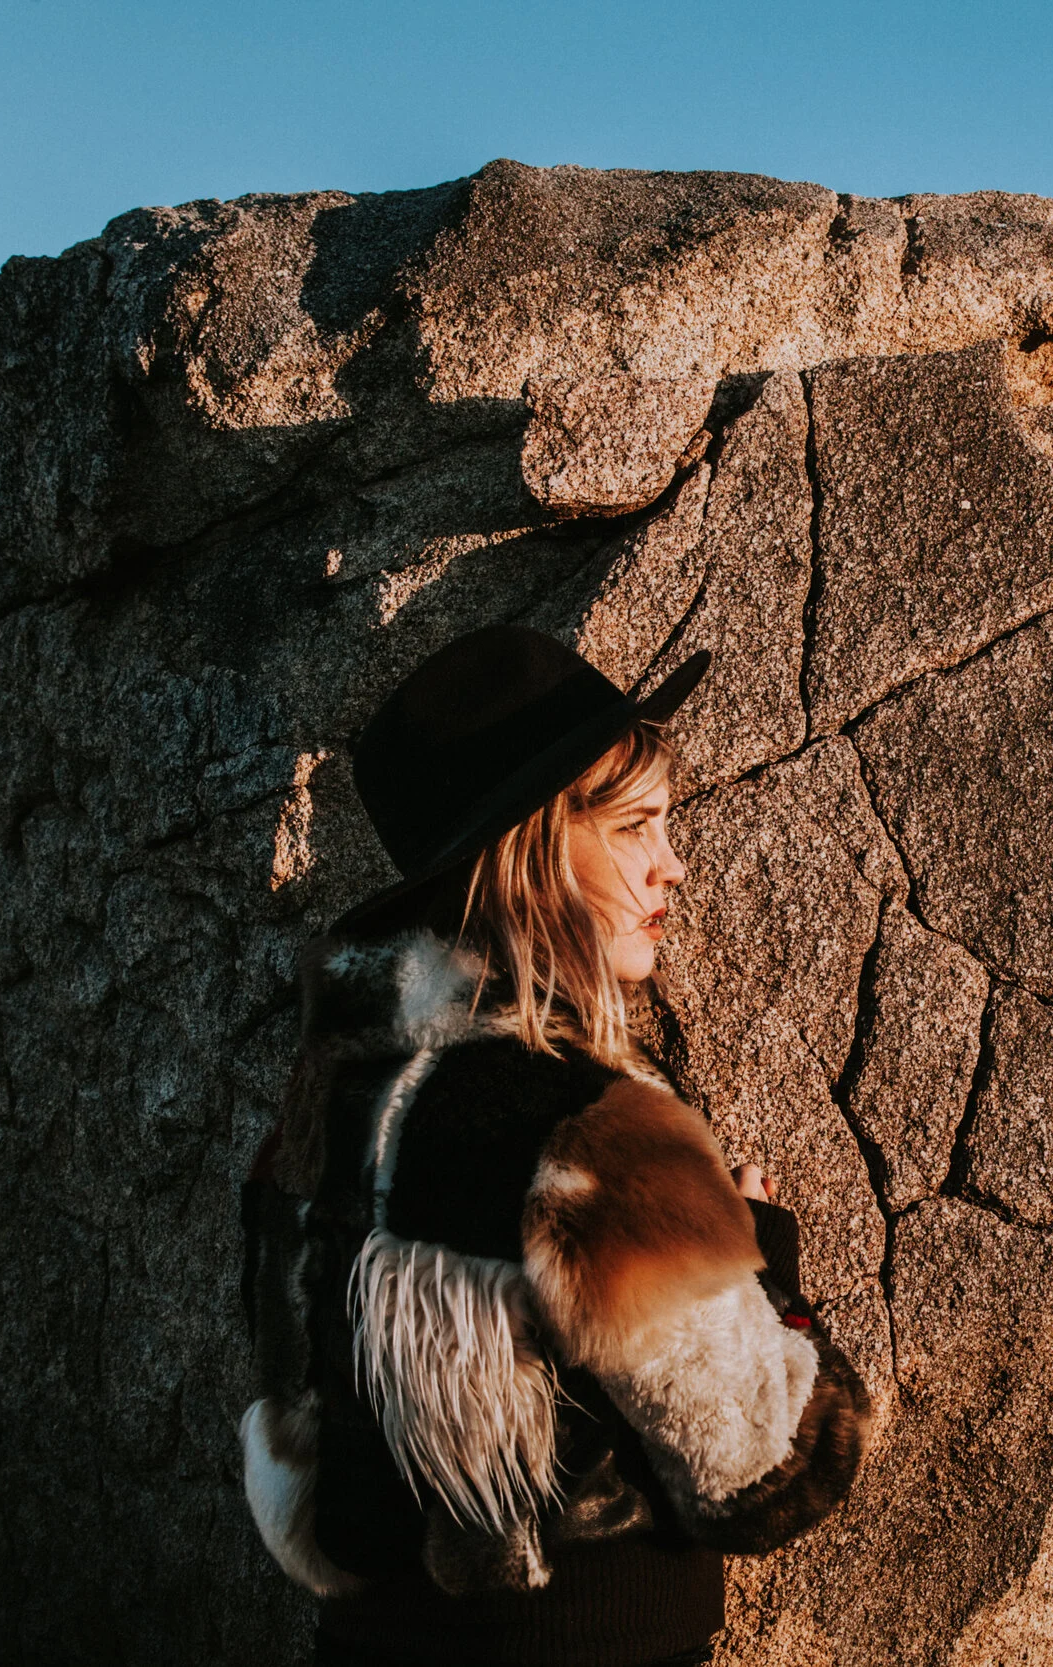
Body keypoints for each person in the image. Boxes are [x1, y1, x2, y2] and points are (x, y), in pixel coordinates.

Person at [237, 626, 866, 1667]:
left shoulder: (320, 1107)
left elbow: (291, 1430)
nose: (673, 866)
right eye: (635, 827)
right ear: (534, 852)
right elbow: (769, 1471)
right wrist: (759, 1256)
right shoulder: (597, 1138)